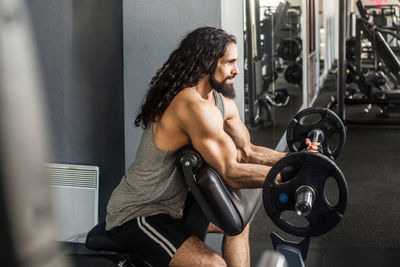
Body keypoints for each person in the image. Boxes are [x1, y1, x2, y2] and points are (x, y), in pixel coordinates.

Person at [105, 27, 319, 267]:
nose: (236, 70)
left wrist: (298, 160)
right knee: (213, 264)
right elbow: (231, 173)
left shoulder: (220, 101)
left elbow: (249, 150)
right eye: (230, 63)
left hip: (175, 207)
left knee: (237, 223)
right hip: (140, 213)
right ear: (208, 62)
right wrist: (290, 176)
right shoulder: (188, 104)